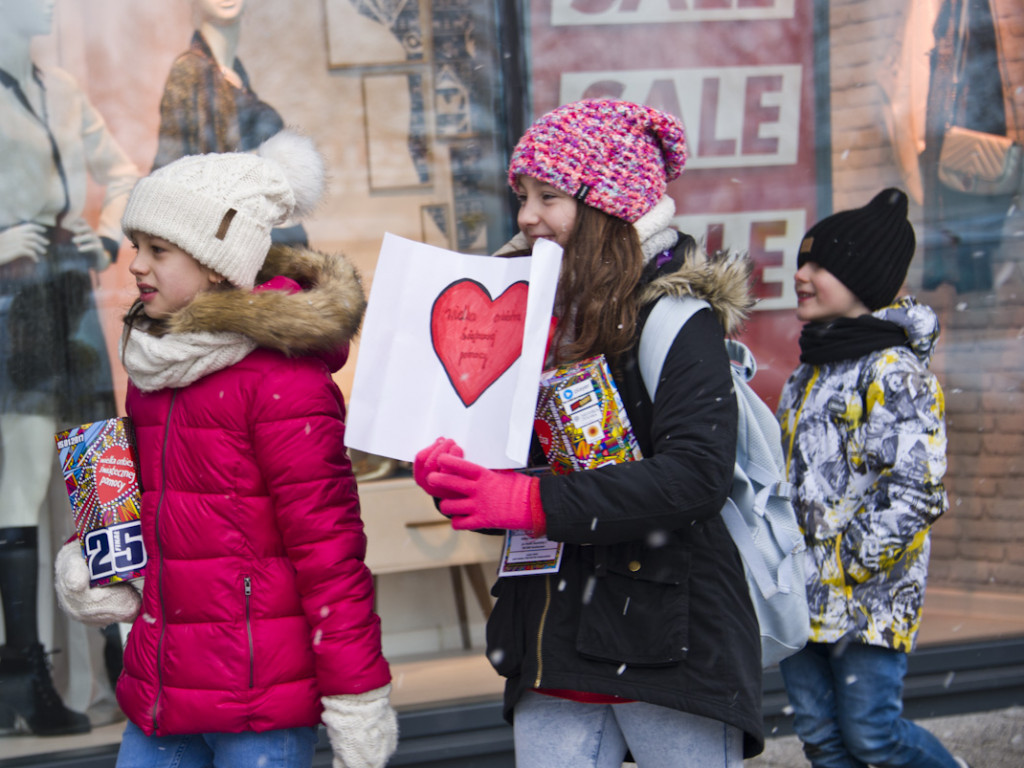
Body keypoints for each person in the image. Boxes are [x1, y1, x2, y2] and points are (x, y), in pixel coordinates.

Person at [413, 99, 762, 767]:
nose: (525, 216)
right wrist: (462, 481)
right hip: (553, 639)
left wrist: (525, 503)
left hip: (670, 642)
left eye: (549, 195)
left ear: (608, 206)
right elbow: (516, 487)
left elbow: (695, 477)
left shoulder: (676, 318)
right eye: (522, 195)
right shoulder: (525, 317)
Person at [52, 130, 397, 768]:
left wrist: (358, 695)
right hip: (160, 690)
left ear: (216, 261)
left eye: (159, 249)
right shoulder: (155, 369)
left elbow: (330, 553)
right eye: (136, 246)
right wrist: (97, 562)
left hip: (257, 703)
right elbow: (161, 516)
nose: (136, 264)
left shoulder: (283, 381)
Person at [775, 188, 970, 768]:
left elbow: (917, 490)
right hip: (800, 595)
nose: (801, 275)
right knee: (823, 741)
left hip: (869, 601)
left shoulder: (893, 371)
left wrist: (843, 566)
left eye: (819, 265)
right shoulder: (809, 370)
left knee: (872, 737)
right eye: (800, 262)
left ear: (862, 277)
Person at [0, 0, 139, 735]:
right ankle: (23, 675)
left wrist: (109, 232)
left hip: (69, 287)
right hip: (9, 295)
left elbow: (120, 172)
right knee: (17, 485)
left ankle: (126, 659)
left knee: (100, 471)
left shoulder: (59, 86)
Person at [153, 0, 307, 245]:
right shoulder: (190, 71)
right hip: (233, 240)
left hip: (261, 233)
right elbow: (174, 171)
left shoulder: (234, 71)